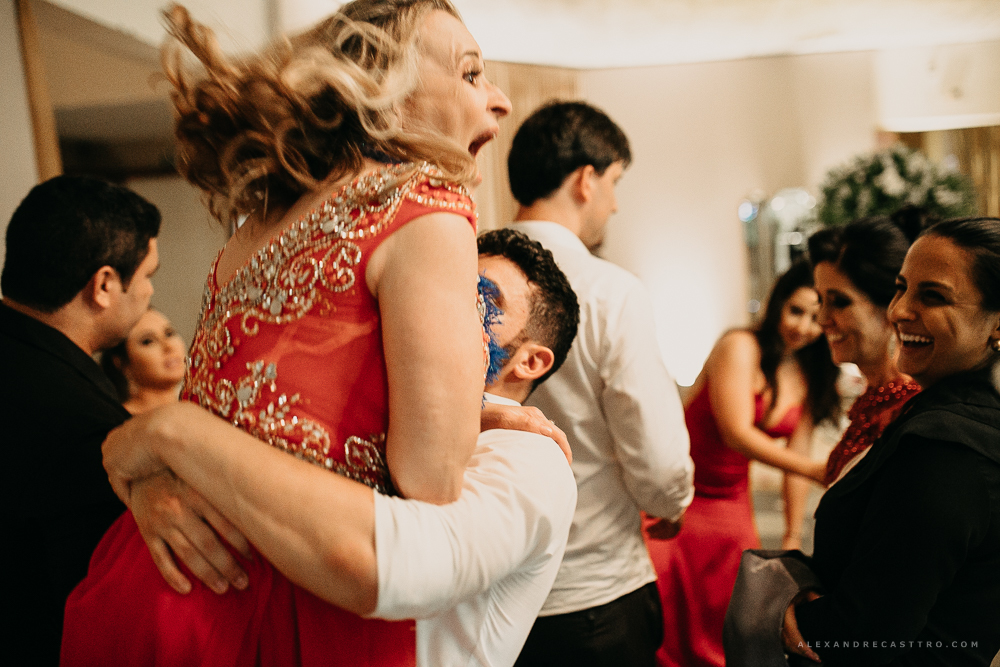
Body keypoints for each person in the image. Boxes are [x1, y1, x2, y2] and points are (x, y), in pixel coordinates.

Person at [61, 1, 518, 665]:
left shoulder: (259, 223)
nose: (499, 100)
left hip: (158, 574)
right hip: (279, 589)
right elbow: (432, 478)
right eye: (473, 74)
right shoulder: (430, 204)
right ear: (384, 91)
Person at [67, 229, 580, 667]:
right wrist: (155, 469)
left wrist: (176, 436)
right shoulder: (379, 407)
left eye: (482, 301)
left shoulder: (529, 458)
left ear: (531, 362)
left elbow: (401, 565)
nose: (445, 308)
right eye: (448, 288)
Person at [507, 101, 695, 667]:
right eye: (614, 182)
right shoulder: (609, 291)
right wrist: (671, 500)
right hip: (592, 593)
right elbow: (658, 460)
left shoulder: (464, 271)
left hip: (483, 590)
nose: (615, 202)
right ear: (586, 180)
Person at [784, 217, 1000, 666]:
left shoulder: (945, 446)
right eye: (901, 288)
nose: (898, 310)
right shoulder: (945, 416)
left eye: (932, 296)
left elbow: (868, 632)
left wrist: (790, 615)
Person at [0, 175, 160, 665]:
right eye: (150, 273)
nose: (150, 291)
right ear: (105, 285)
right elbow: (96, 600)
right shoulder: (85, 423)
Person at [648, 260, 840, 667]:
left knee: (727, 612)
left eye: (815, 316)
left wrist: (791, 533)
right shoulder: (740, 345)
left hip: (733, 502)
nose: (804, 326)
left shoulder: (808, 371)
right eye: (795, 310)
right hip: (681, 496)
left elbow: (798, 456)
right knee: (669, 614)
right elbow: (737, 432)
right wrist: (817, 471)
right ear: (776, 304)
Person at [808, 216, 925, 485]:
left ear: (891, 308)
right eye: (820, 300)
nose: (822, 318)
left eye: (839, 302)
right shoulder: (876, 399)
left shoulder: (907, 413)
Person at [101, 308, 186, 414]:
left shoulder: (199, 408)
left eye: (169, 333)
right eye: (148, 341)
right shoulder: (121, 422)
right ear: (122, 363)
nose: (169, 346)